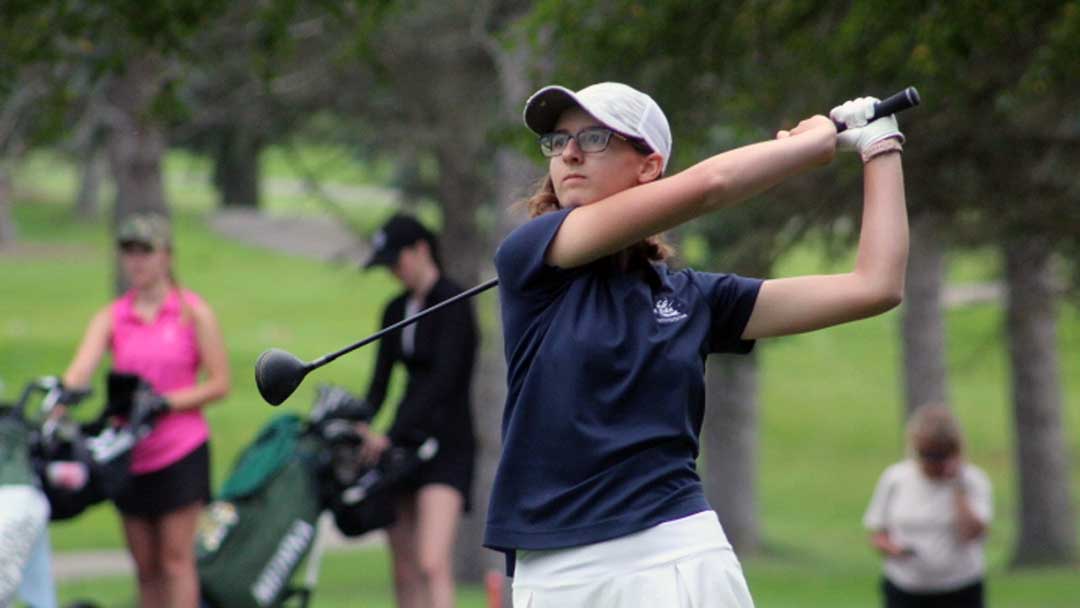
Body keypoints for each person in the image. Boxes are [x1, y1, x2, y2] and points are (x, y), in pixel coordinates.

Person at [485, 81, 909, 607]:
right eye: (558, 140)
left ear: (648, 166)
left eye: (594, 138)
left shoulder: (694, 300)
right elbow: (712, 184)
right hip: (556, 572)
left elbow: (875, 287)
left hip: (677, 554)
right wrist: (806, 146)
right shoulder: (531, 257)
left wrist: (879, 147)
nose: (568, 152)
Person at [60, 212, 230, 608]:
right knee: (145, 566)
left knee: (175, 561)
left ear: (166, 256)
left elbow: (219, 383)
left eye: (145, 252)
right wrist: (60, 400)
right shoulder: (114, 316)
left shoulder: (191, 313)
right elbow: (80, 370)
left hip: (180, 450)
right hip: (131, 454)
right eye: (129, 252)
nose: (136, 262)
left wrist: (166, 402)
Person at [359, 213, 478, 608]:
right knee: (404, 566)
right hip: (402, 444)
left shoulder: (454, 303)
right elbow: (379, 384)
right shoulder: (395, 310)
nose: (395, 272)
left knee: (431, 561)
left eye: (398, 261)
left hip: (447, 442)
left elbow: (443, 382)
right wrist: (361, 423)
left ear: (421, 250)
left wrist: (389, 433)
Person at [864, 403, 992, 608]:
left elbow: (972, 533)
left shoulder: (973, 481)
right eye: (924, 454)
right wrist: (895, 549)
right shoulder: (896, 478)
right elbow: (877, 531)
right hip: (906, 587)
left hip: (959, 587)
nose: (930, 463)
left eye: (938, 456)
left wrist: (957, 486)